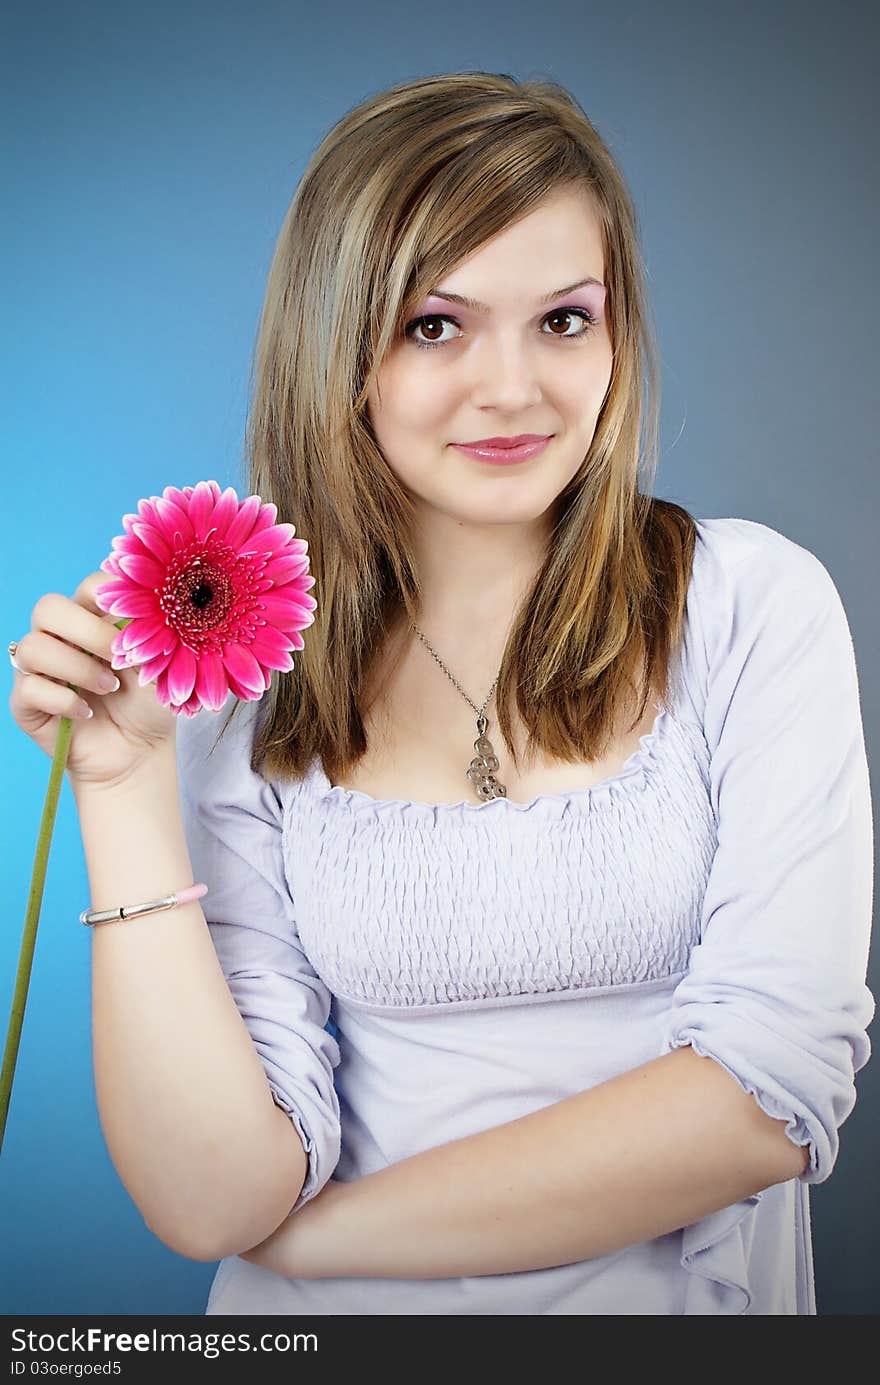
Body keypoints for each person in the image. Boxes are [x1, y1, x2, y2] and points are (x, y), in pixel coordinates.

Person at [9, 71, 874, 1315]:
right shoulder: (246, 694)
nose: (513, 388)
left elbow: (764, 1098)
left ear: (617, 332)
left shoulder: (748, 606)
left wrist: (304, 1245)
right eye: (435, 325)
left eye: (564, 320)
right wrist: (124, 781)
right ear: (339, 348)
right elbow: (212, 1197)